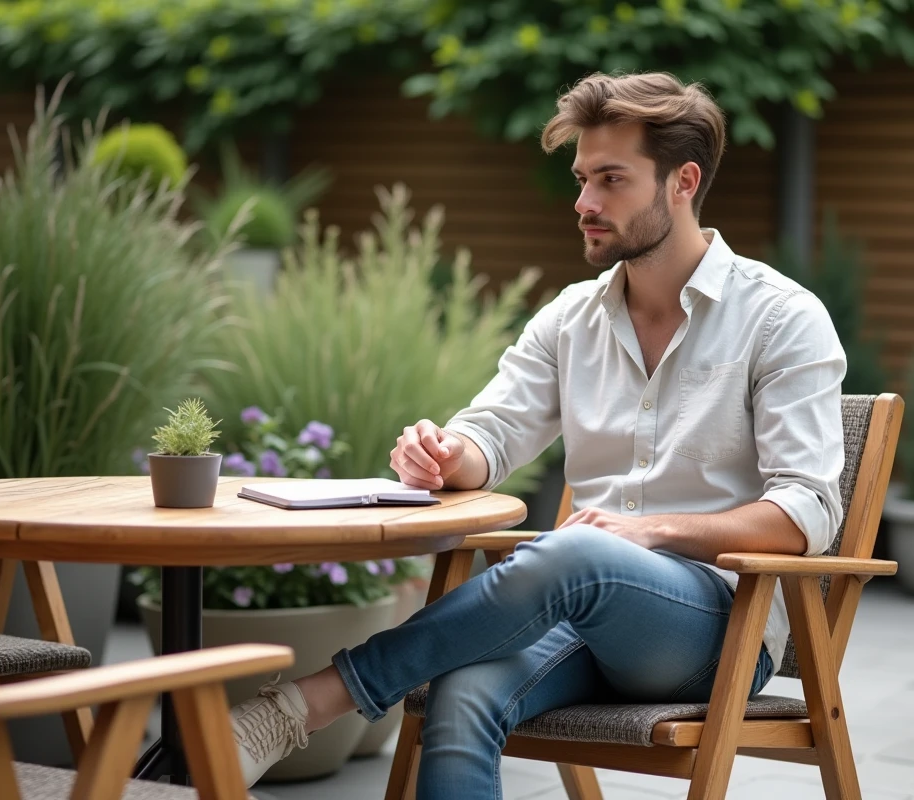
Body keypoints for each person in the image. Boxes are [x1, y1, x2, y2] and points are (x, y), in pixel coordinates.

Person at [228, 71, 846, 797]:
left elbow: (809, 510)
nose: (584, 203)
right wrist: (442, 454)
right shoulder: (570, 318)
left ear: (682, 182)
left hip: (717, 632)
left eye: (611, 179)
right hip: (586, 617)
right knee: (462, 694)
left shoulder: (780, 318)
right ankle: (306, 705)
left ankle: (305, 704)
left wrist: (653, 533)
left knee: (581, 549)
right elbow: (490, 436)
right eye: (583, 178)